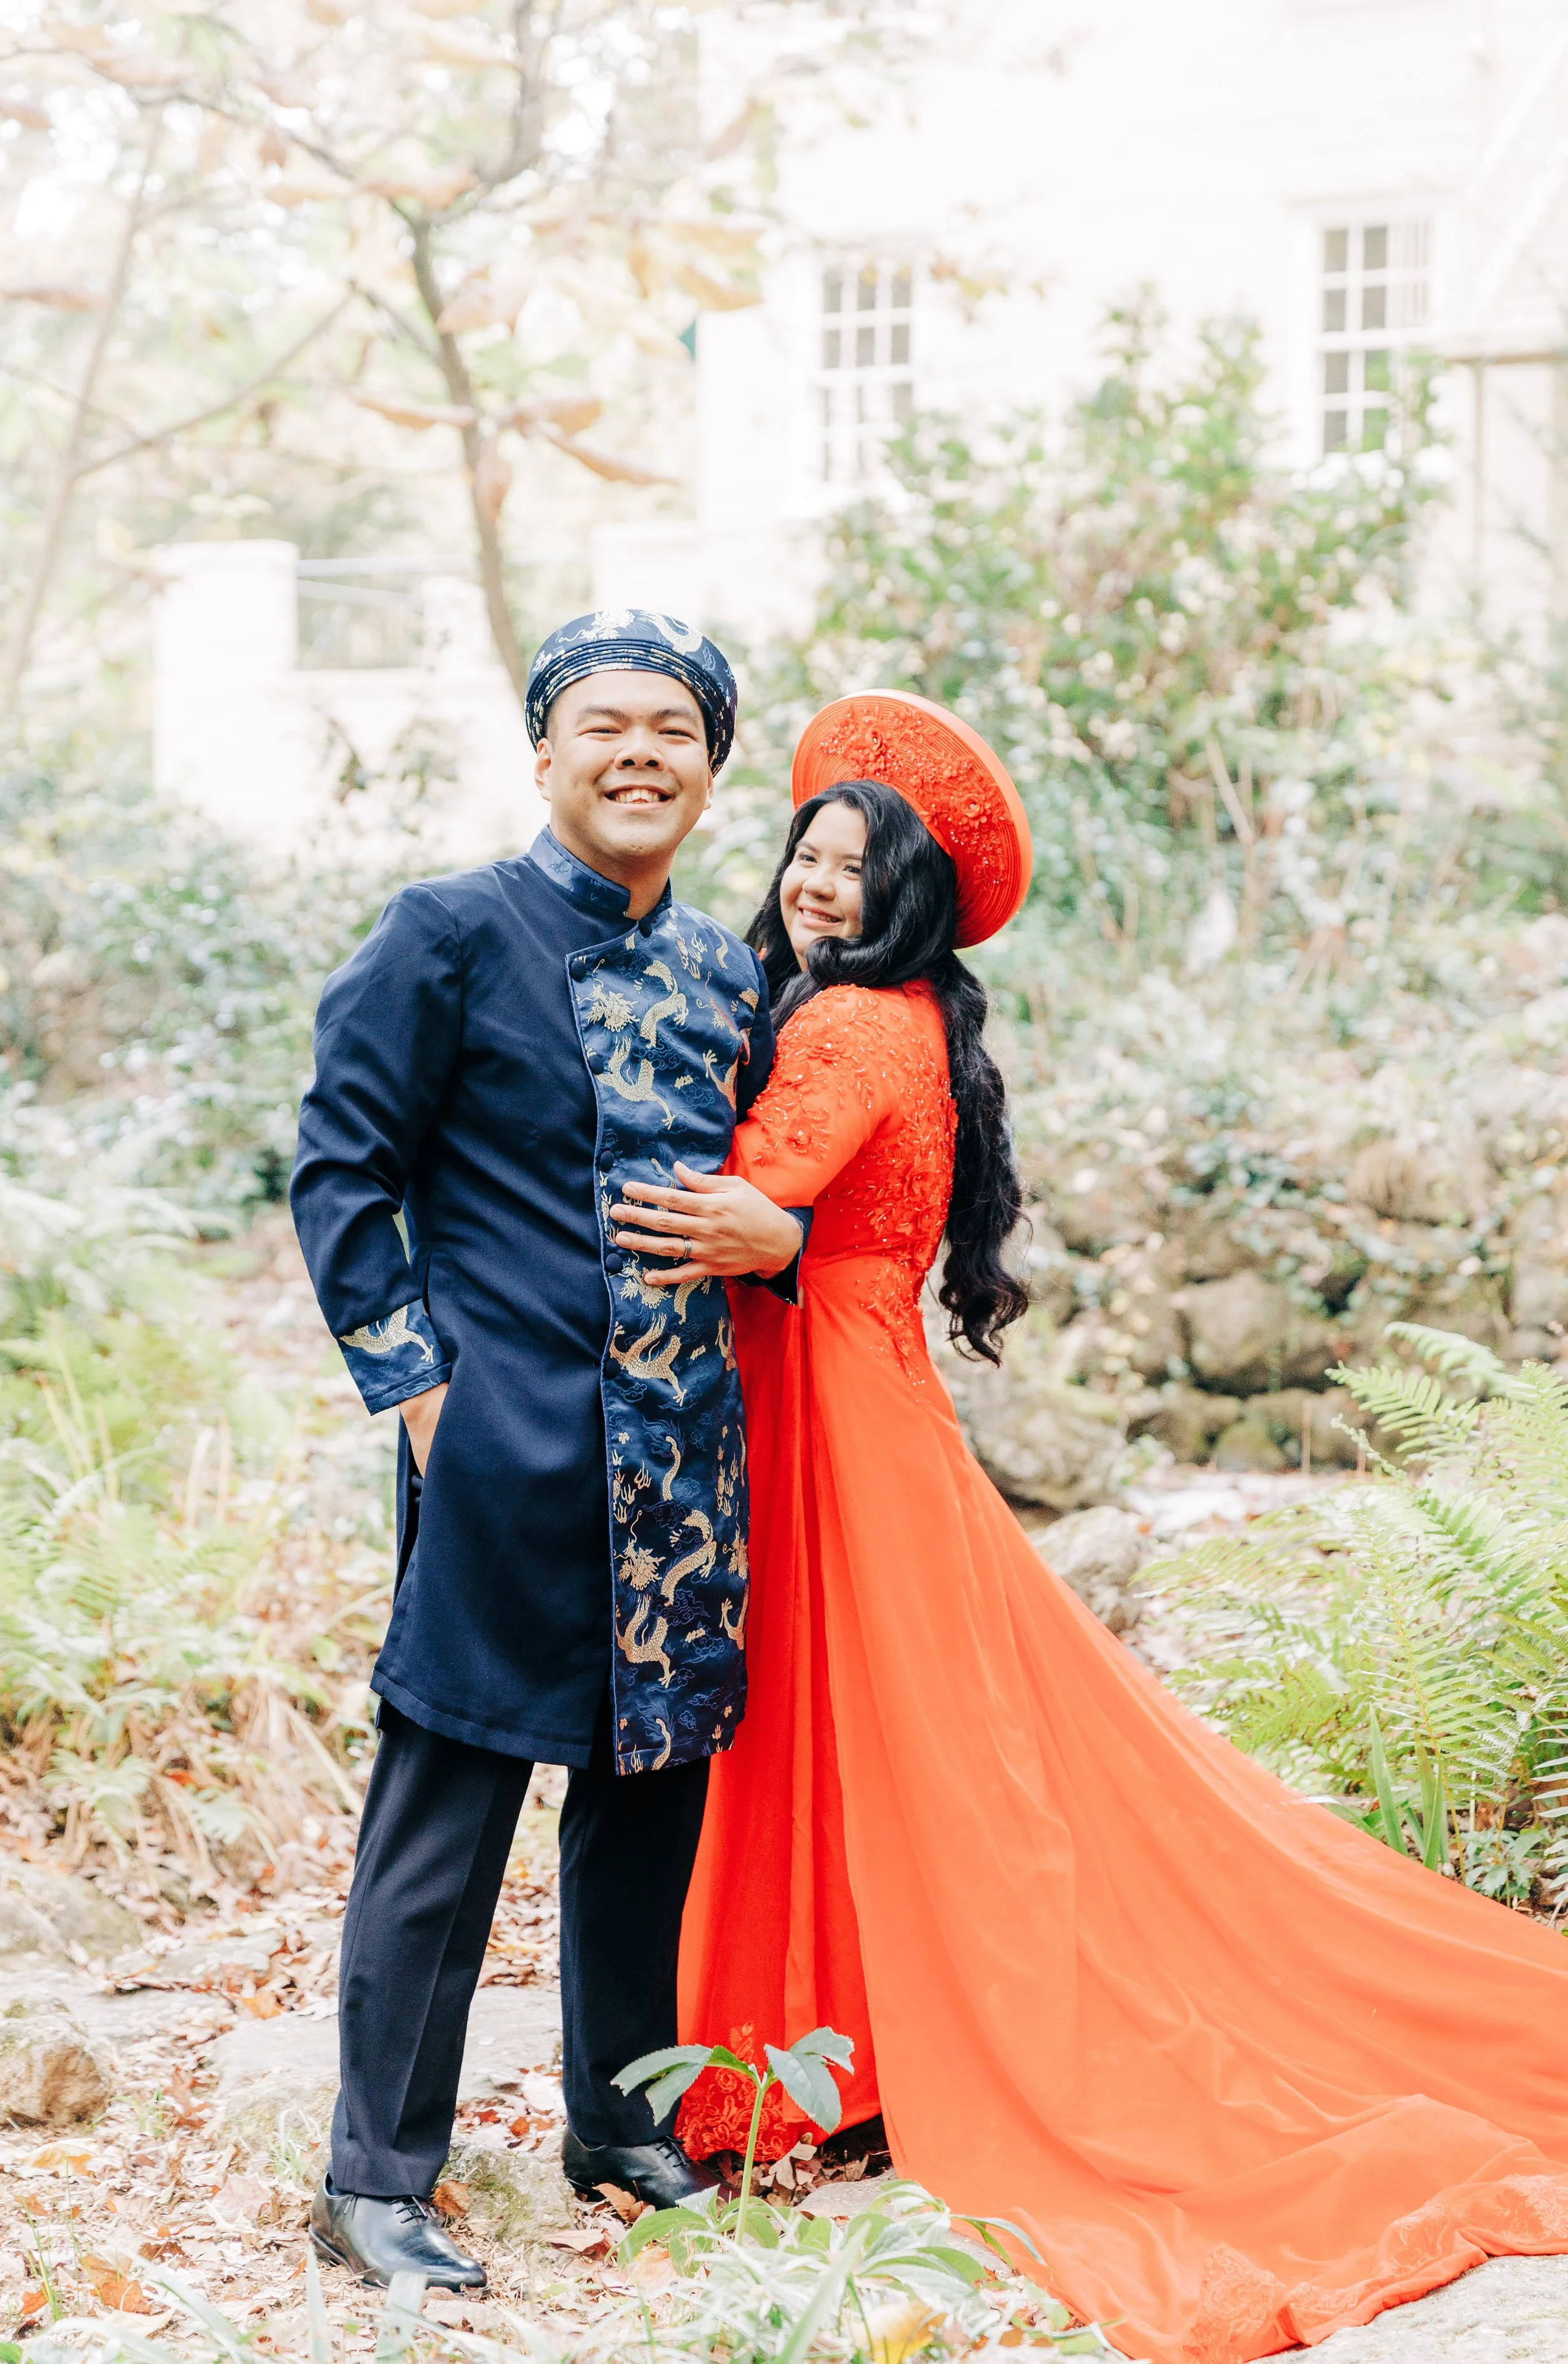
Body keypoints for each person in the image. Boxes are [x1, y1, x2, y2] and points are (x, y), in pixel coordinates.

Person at [610, 689, 1568, 2364]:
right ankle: (838, 2051)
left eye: (851, 863)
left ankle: (828, 2057)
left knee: (882, 1740)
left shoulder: (842, 1030)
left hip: (827, 1412)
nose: (815, 881)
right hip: (856, 1390)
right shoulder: (895, 1015)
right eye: (806, 852)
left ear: (901, 893)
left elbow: (740, 1192)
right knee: (893, 1740)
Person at [289, 610, 805, 2288]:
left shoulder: (730, 973)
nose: (640, 750)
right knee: (446, 1797)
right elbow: (338, 1171)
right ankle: (375, 2174)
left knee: (646, 1796)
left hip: (682, 1459)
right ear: (544, 752)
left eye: (675, 727)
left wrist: (770, 1238)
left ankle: (622, 2117)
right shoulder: (446, 934)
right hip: (503, 1448)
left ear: (712, 770)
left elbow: (784, 1199)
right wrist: (422, 1395)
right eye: (606, 723)